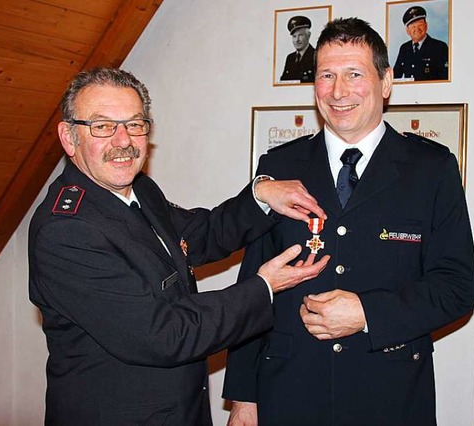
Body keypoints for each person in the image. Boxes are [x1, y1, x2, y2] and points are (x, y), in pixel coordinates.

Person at [28, 67, 331, 425]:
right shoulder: (66, 230)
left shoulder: (139, 189)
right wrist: (263, 287)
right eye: (102, 126)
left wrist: (261, 195)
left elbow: (199, 236)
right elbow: (165, 334)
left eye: (135, 124)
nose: (123, 140)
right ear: (69, 137)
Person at [223, 17, 474, 425]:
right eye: (326, 75)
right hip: (288, 391)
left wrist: (368, 314)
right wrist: (242, 396)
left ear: (387, 82)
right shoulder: (279, 165)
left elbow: (458, 287)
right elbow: (254, 285)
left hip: (388, 393)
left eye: (354, 74)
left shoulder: (432, 168)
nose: (338, 91)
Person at [393, 6, 449, 81]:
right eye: (413, 26)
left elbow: (445, 79)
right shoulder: (404, 48)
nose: (417, 29)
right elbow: (395, 77)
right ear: (407, 30)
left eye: (420, 25)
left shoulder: (440, 47)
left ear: (426, 26)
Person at [279, 15, 316, 83]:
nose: (297, 40)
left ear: (308, 35)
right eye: (294, 36)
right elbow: (283, 82)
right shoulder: (290, 58)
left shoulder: (316, 55)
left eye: (300, 35)